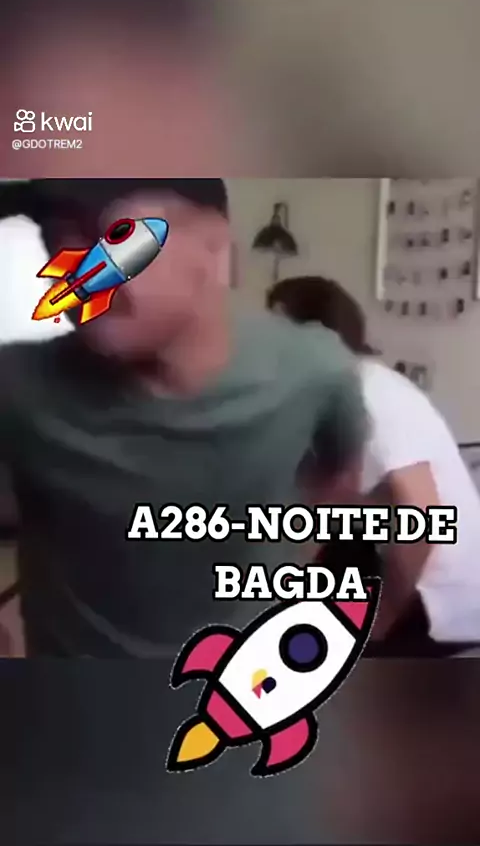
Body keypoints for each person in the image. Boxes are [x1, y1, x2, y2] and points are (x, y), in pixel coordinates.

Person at [0, 179, 368, 657]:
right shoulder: (17, 383)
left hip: (246, 680)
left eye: (114, 236)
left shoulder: (315, 371)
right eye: (56, 237)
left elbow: (338, 480)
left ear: (213, 245)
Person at [267, 275, 480, 654]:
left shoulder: (370, 392)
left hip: (439, 602)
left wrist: (381, 619)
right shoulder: (328, 397)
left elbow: (425, 520)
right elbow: (324, 508)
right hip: (392, 568)